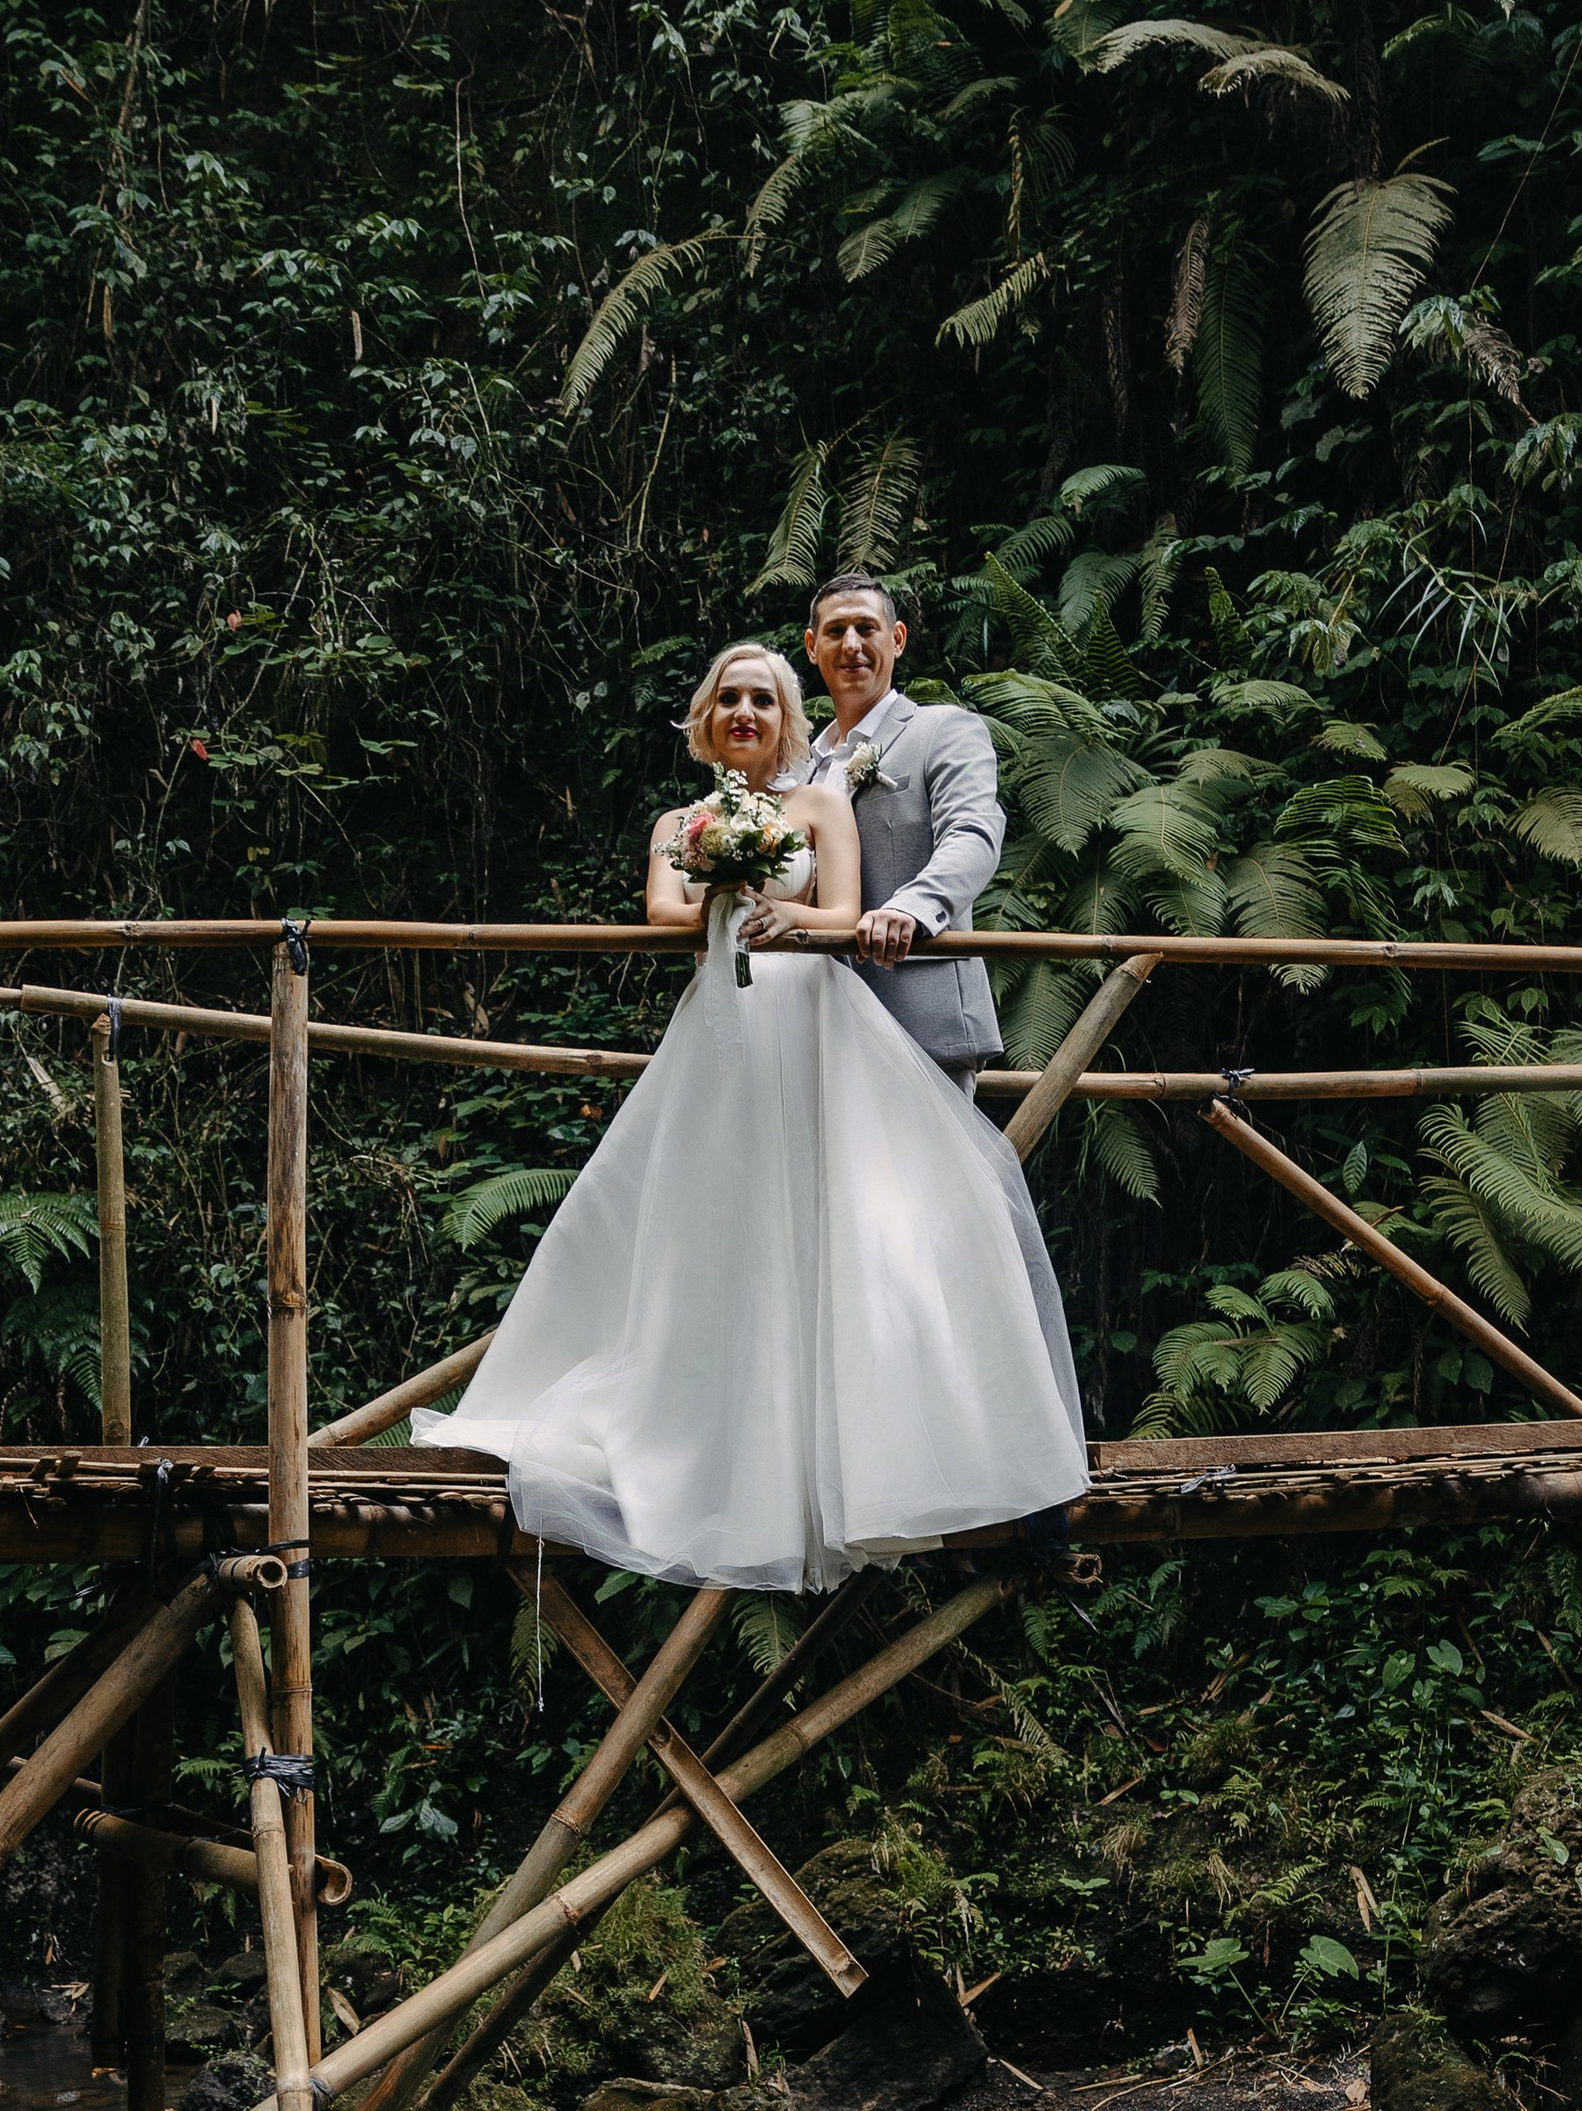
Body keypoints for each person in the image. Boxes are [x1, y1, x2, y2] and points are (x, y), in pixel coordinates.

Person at [413, 637, 1087, 1593]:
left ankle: (890, 1448)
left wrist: (785, 917)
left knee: (857, 1225)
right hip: (722, 1029)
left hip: (814, 1019)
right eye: (729, 698)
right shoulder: (678, 820)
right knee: (712, 1221)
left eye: (764, 700)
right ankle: (722, 1437)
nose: (745, 713)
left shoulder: (820, 805)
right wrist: (722, 892)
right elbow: (661, 910)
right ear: (706, 718)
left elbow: (848, 911)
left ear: (786, 717)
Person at [743, 571, 1006, 1092]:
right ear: (812, 647)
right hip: (810, 1027)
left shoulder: (943, 731)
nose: (852, 645)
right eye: (836, 631)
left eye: (867, 628)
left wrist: (911, 908)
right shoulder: (800, 770)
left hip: (917, 1012)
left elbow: (974, 833)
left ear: (898, 639)